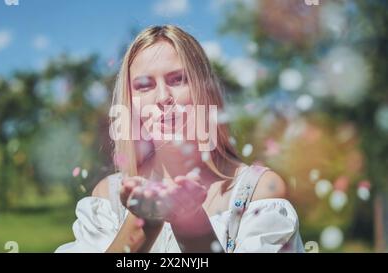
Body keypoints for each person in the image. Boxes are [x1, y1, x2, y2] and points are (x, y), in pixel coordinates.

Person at [56, 25, 304, 253]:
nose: (163, 97)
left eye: (178, 79)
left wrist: (191, 221)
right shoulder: (109, 198)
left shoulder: (255, 192)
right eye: (144, 85)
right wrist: (143, 223)